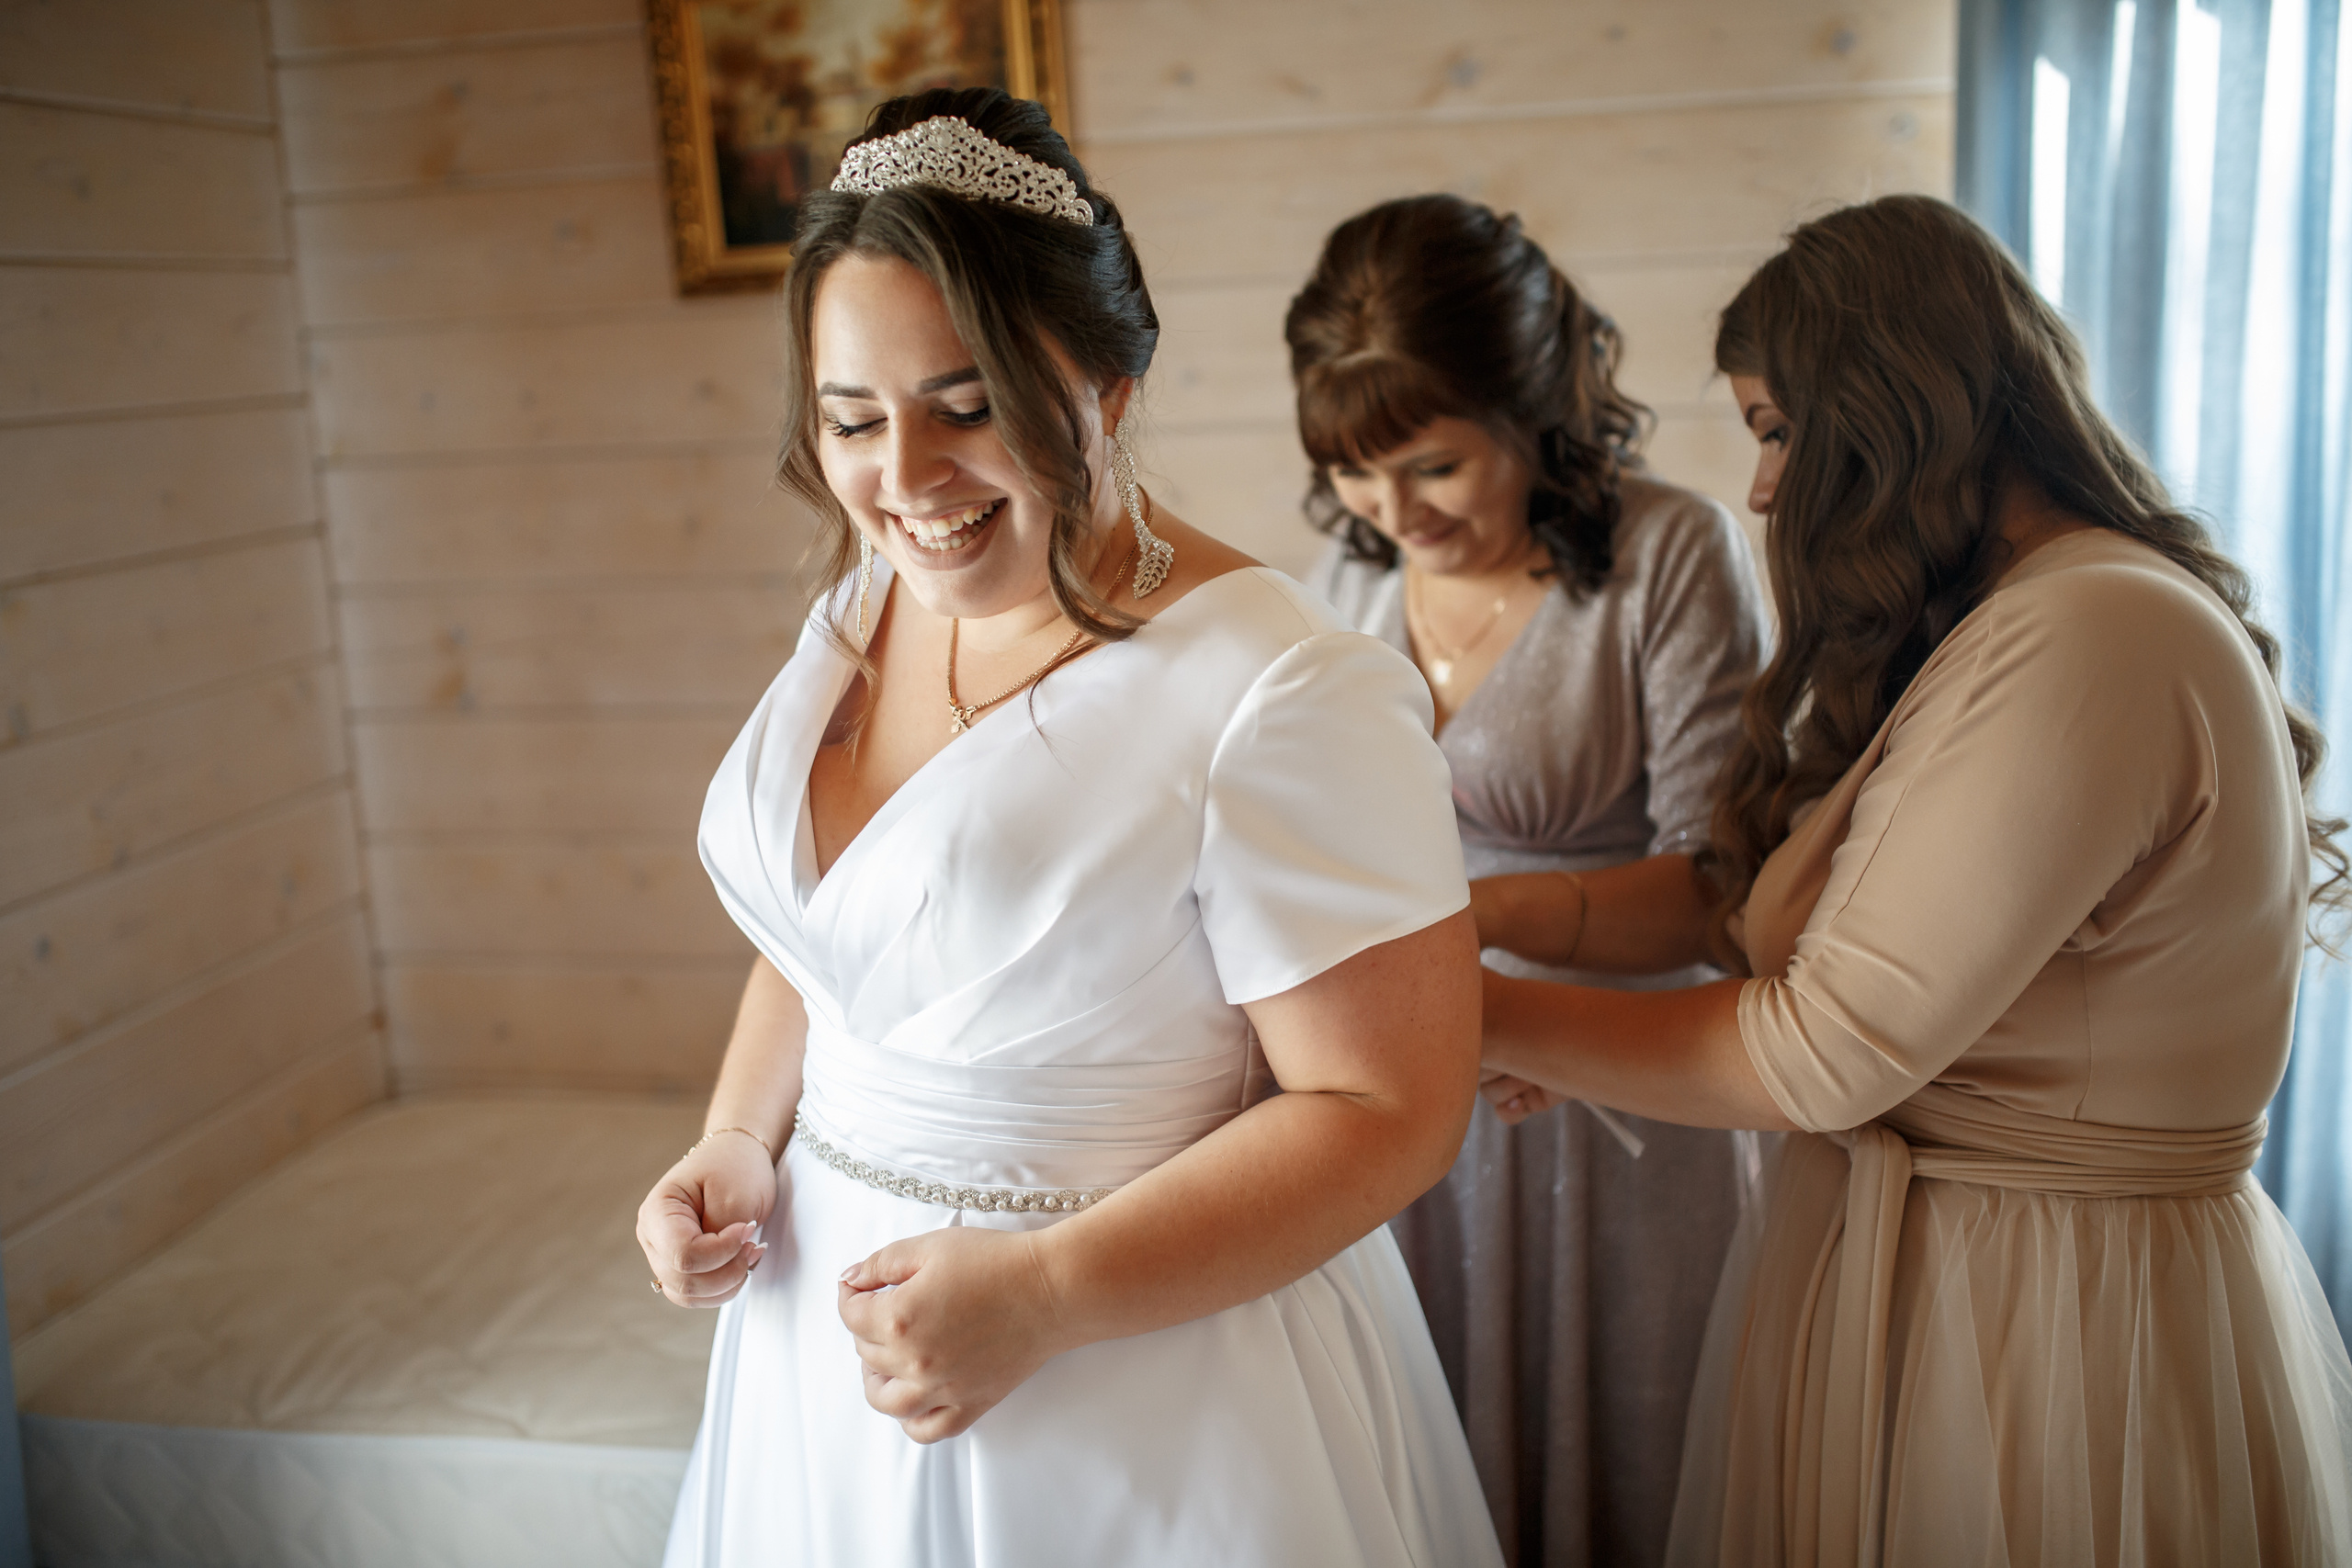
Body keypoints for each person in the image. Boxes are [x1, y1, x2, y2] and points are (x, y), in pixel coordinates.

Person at [634, 88, 1506, 1568]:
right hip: (815, 1363)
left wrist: (1044, 1294)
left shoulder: (1277, 687)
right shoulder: (867, 605)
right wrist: (736, 1135)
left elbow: (1392, 1111)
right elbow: (839, 936)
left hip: (1135, 1392)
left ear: (1104, 381)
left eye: (965, 408)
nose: (903, 483)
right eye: (852, 420)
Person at [1474, 194, 2352, 1565]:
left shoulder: (2092, 637)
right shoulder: (2005, 627)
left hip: (2044, 1331)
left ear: (1891, 407)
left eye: (1774, 432)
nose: (1760, 488)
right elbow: (1745, 903)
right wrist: (1488, 922)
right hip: (1949, 1282)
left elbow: (1827, 1048)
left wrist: (1471, 1015)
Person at [1289, 194, 1770, 1566]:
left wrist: (1470, 932)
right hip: (1420, 1081)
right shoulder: (1347, 575)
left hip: (1614, 1089)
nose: (1394, 512)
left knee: (1627, 1448)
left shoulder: (1670, 559)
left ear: (1536, 410)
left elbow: (1714, 888)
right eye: (1359, 476)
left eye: (1433, 467)